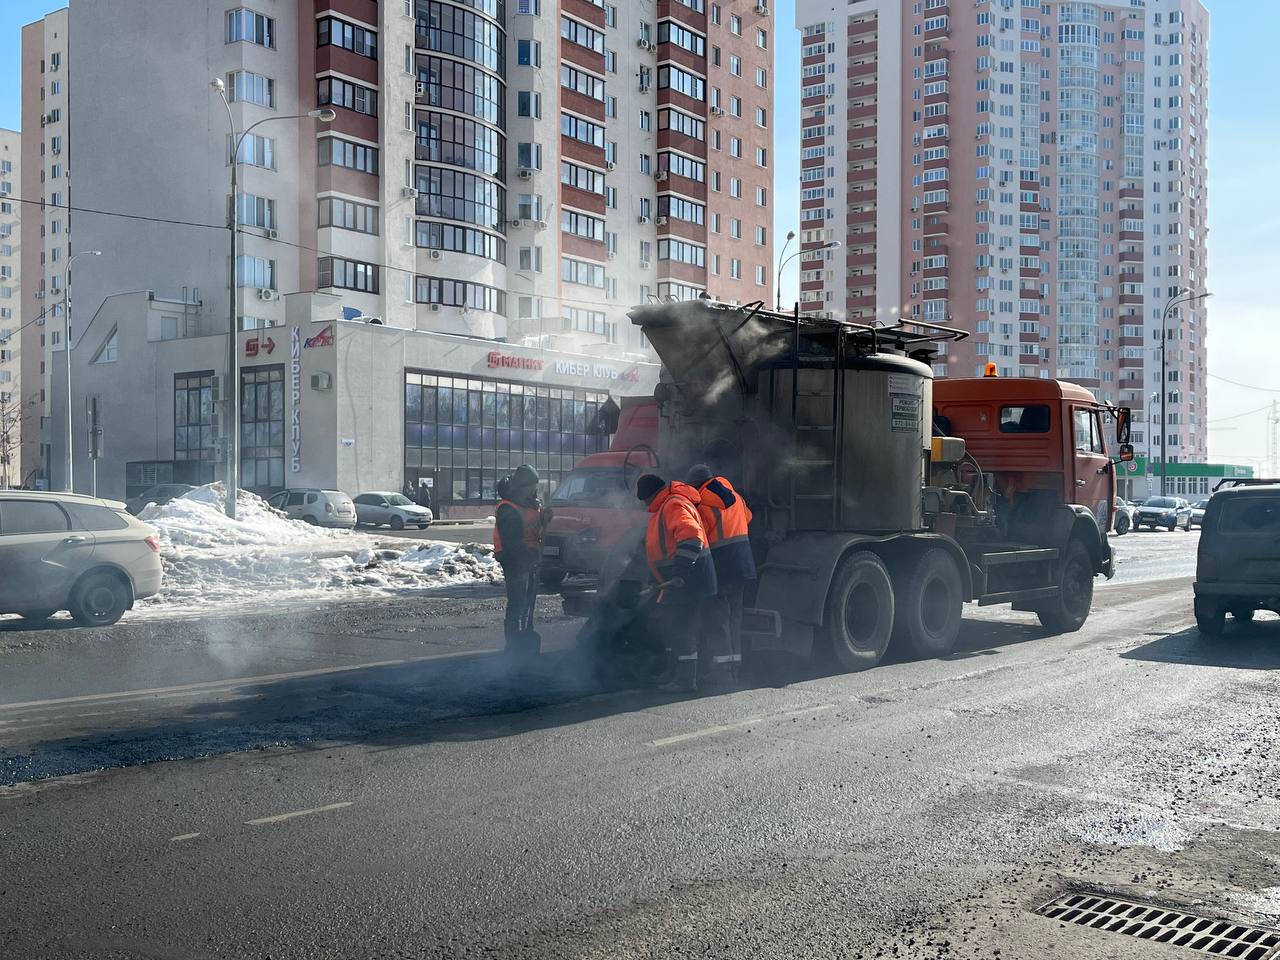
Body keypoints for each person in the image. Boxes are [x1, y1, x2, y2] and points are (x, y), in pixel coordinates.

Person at [637, 473, 717, 692]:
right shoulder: (664, 506)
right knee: (672, 626)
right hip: (676, 581)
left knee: (683, 628)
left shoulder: (673, 505)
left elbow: (691, 536)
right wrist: (656, 579)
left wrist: (681, 571)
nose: (644, 504)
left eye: (643, 499)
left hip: (689, 580)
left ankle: (685, 680)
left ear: (649, 495)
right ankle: (673, 672)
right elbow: (663, 547)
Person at [687, 464, 756, 682]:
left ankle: (722, 673)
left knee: (718, 619)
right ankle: (736, 666)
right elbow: (749, 517)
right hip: (743, 564)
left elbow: (699, 537)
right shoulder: (734, 495)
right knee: (735, 617)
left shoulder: (701, 503)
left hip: (722, 566)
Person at [493, 464, 548, 652]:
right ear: (523, 486)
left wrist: (545, 518)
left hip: (530, 559)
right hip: (514, 562)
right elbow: (512, 543)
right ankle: (513, 643)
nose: (535, 489)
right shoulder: (508, 508)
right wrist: (529, 556)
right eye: (532, 485)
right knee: (517, 603)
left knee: (528, 602)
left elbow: (534, 526)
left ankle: (523, 636)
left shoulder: (531, 503)